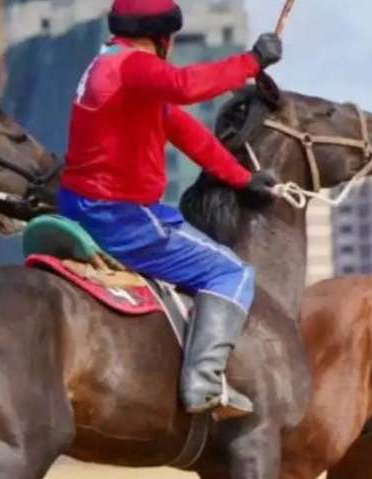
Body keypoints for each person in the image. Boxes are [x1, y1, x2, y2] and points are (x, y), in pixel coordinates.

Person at [57, 0, 282, 420]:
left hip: (79, 205)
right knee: (231, 273)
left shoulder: (107, 67)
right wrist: (250, 63)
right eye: (173, 38)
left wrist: (241, 178)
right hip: (119, 218)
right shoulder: (133, 68)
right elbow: (184, 85)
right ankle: (203, 385)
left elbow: (186, 132)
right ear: (163, 38)